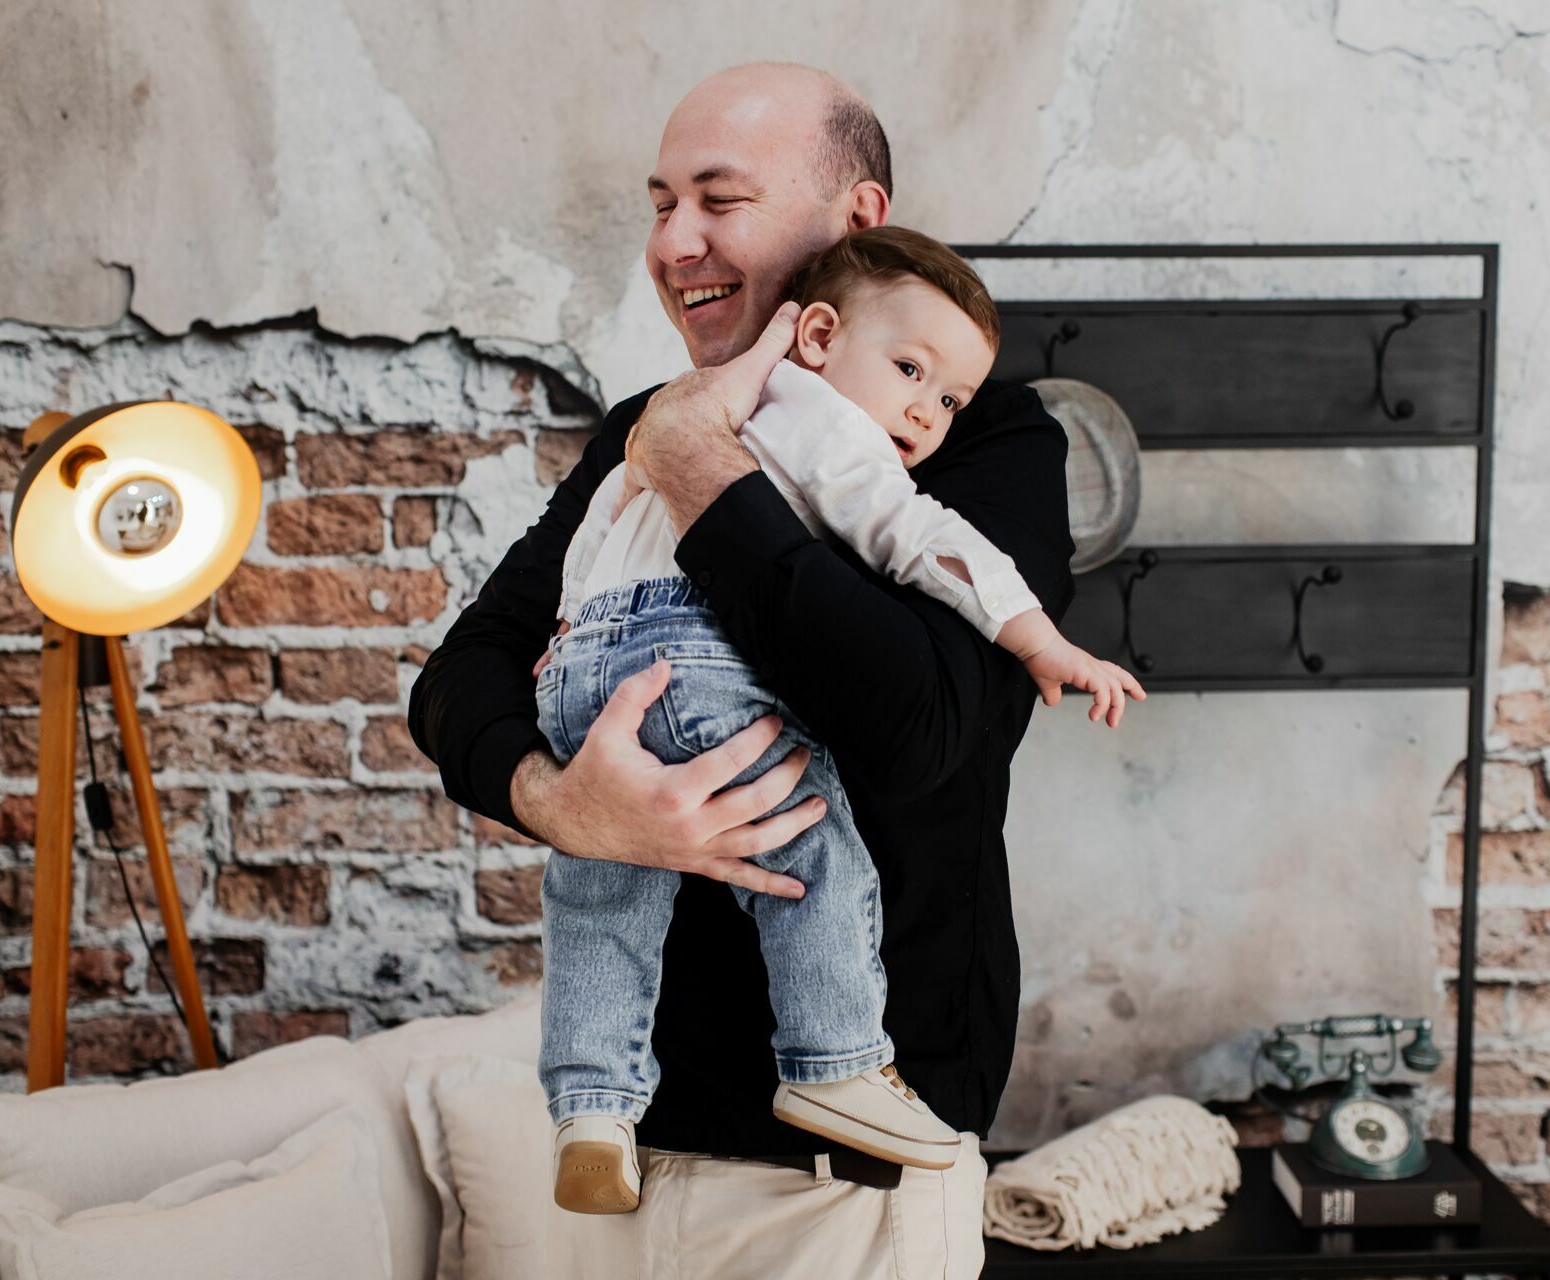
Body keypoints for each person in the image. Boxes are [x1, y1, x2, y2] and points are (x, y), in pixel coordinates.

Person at [408, 61, 1076, 1279]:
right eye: (661, 202)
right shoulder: (638, 429)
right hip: (626, 1159)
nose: (676, 243)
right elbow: (463, 675)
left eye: (720, 200)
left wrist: (702, 467)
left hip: (843, 1193)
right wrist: (566, 802)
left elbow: (924, 724)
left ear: (857, 223)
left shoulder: (979, 442)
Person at [536, 226, 1142, 1216]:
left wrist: (563, 645)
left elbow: (599, 525)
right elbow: (917, 537)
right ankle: (834, 1061)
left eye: (947, 398)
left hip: (587, 664)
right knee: (809, 843)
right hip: (693, 661)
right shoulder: (820, 417)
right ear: (815, 334)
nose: (925, 408)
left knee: (602, 889)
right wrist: (1039, 640)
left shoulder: (671, 418)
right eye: (909, 369)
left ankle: (592, 1103)